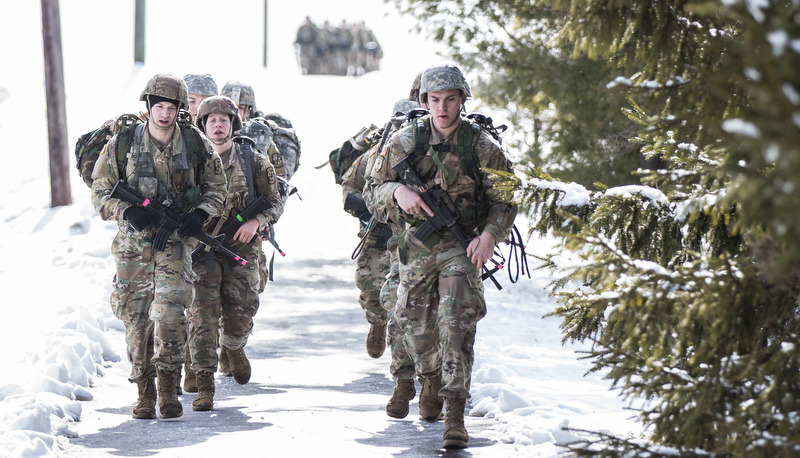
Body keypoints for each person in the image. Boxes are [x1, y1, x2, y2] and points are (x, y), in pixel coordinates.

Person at [371, 64, 517, 448]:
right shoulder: (405, 141)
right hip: (415, 248)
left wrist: (489, 235)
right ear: (424, 102)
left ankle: (455, 414)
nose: (442, 107)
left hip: (461, 245)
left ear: (462, 100)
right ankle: (430, 379)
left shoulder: (482, 146)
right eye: (434, 100)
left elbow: (506, 199)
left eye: (450, 99)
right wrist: (397, 194)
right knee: (415, 330)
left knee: (457, 324)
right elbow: (373, 187)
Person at [91, 73, 227, 419]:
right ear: (149, 106)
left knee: (169, 313)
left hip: (176, 246)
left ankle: (168, 387)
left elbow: (217, 188)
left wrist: (200, 214)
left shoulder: (195, 144)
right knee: (136, 321)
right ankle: (144, 390)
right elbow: (100, 190)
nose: (165, 114)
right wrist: (126, 210)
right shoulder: (123, 143)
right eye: (159, 106)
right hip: (133, 248)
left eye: (171, 108)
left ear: (180, 109)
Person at [187, 96, 284, 411]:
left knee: (240, 313)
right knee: (202, 315)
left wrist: (256, 221)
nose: (218, 125)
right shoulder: (189, 160)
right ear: (203, 125)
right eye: (211, 120)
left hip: (241, 245)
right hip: (201, 249)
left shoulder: (252, 159)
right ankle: (205, 384)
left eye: (223, 120)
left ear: (233, 124)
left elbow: (274, 200)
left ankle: (233, 347)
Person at [363, 95, 421, 419]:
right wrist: (397, 196)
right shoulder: (397, 142)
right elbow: (370, 188)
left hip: (452, 248)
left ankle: (435, 385)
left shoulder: (464, 140)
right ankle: (403, 380)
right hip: (406, 243)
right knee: (401, 310)